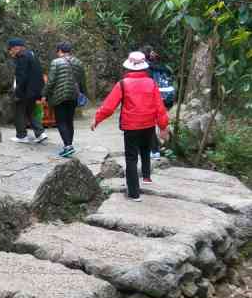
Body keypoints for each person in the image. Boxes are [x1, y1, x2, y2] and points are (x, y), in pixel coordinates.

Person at [91, 50, 170, 201]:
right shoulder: (151, 83)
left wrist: (97, 119)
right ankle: (146, 177)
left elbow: (109, 106)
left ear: (128, 67)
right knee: (146, 150)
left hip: (131, 126)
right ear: (144, 67)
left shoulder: (122, 84)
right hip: (148, 124)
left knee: (131, 158)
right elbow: (159, 107)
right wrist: (163, 126)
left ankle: (134, 194)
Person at [44, 41, 86, 158]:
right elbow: (82, 81)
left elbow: (51, 81)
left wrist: (44, 94)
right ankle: (69, 145)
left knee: (61, 121)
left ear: (59, 51)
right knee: (69, 121)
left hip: (59, 96)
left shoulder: (56, 62)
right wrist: (83, 94)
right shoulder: (78, 62)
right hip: (73, 96)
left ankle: (68, 146)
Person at [7, 38, 47, 144]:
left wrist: (18, 92)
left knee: (19, 112)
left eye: (10, 49)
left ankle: (21, 136)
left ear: (16, 48)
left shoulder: (22, 57)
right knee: (31, 111)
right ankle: (40, 133)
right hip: (35, 90)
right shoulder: (31, 55)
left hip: (25, 91)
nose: (10, 52)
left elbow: (22, 77)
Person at [142, 44, 176, 159]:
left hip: (153, 99)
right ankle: (165, 148)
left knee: (150, 125)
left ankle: (155, 149)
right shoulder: (164, 67)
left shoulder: (145, 68)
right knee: (162, 123)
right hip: (167, 99)